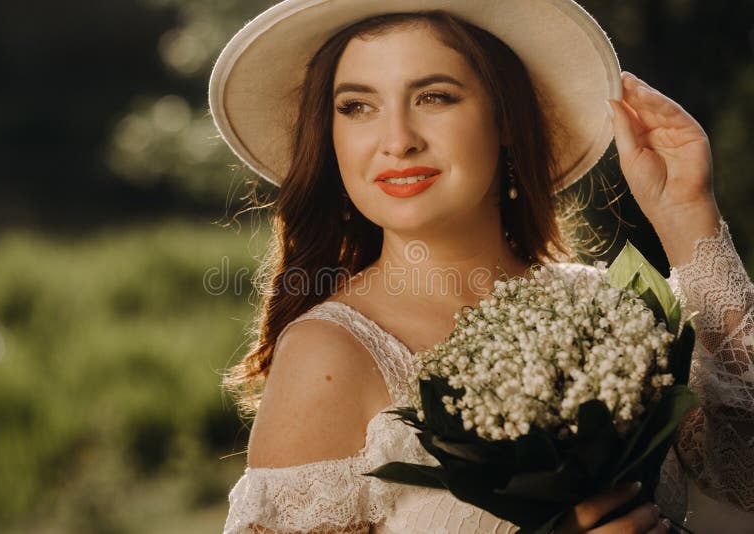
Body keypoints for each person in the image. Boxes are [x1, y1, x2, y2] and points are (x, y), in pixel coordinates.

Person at [209, 1, 754, 532]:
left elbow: (743, 482)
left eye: (434, 97)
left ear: (506, 118)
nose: (398, 140)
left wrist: (686, 214)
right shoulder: (331, 352)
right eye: (357, 106)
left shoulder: (609, 311)